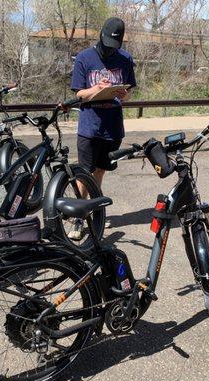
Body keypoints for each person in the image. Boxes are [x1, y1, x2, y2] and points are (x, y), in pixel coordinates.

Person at [69, 17, 137, 240]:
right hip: (89, 126)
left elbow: (129, 91)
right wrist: (95, 89)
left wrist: (124, 95)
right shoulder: (84, 58)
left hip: (113, 127)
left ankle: (95, 209)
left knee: (100, 171)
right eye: (107, 43)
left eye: (114, 45)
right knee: (84, 172)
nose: (110, 48)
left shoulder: (126, 59)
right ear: (101, 36)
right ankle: (78, 218)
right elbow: (78, 93)